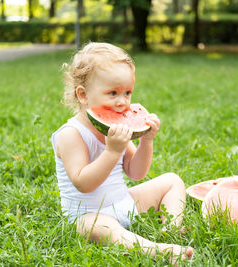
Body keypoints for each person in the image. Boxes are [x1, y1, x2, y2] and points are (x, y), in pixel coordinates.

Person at [51, 42, 194, 263]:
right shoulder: (71, 134)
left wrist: (147, 141)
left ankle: (171, 229)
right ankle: (154, 249)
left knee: (172, 181)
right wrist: (111, 152)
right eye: (112, 93)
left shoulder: (118, 128)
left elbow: (136, 173)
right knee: (90, 227)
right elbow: (82, 183)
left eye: (127, 93)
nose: (122, 102)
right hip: (91, 215)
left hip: (125, 203)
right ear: (83, 95)